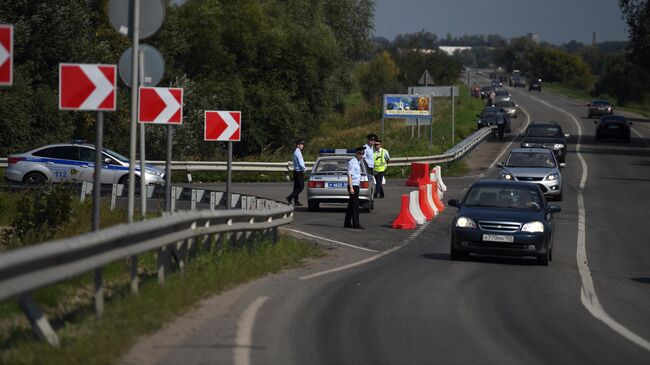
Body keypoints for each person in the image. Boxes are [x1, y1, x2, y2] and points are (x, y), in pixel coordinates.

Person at [344, 147, 365, 229]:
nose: (361, 155)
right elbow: (349, 175)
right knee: (355, 205)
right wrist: (351, 188)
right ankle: (356, 223)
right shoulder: (352, 162)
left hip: (356, 185)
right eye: (360, 153)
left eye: (362, 154)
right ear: (356, 153)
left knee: (351, 205)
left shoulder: (358, 162)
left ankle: (347, 223)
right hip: (353, 186)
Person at [286, 139, 306, 206]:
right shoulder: (298, 153)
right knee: (301, 186)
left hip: (295, 171)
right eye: (301, 144)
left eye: (303, 144)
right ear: (298, 145)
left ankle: (296, 201)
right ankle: (290, 197)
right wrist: (305, 169)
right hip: (299, 172)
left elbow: (293, 159)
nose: (303, 145)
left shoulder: (295, 152)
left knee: (296, 187)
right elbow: (301, 163)